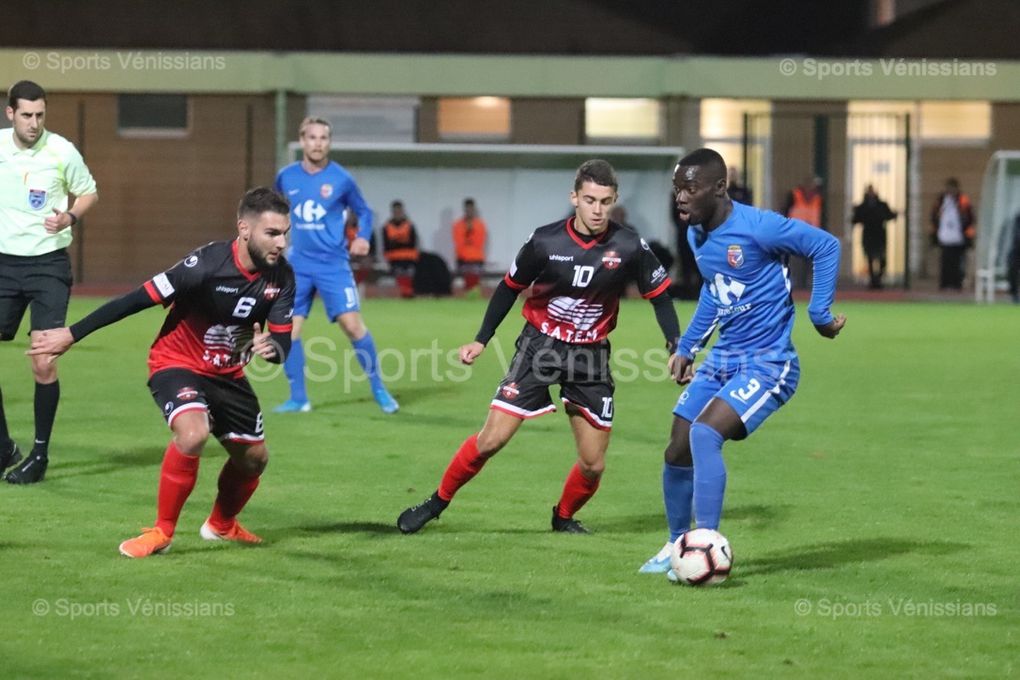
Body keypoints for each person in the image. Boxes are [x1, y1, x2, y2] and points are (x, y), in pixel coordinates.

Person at [397, 159, 679, 535]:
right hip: (539, 348)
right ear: (574, 197)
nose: (598, 210)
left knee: (593, 464)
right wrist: (481, 339)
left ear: (614, 201)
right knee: (491, 440)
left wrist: (676, 344)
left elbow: (660, 297)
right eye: (590, 200)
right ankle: (434, 504)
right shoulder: (545, 241)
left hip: (590, 356)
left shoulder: (629, 246)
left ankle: (562, 517)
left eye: (606, 202)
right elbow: (508, 288)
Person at [28, 187, 295, 557]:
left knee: (254, 459)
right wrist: (72, 334)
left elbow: (282, 346)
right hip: (176, 364)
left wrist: (273, 349)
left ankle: (221, 526)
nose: (281, 243)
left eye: (285, 233)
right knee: (193, 432)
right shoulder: (204, 265)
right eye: (272, 233)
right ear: (244, 229)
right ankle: (161, 532)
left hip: (229, 376)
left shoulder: (282, 278)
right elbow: (136, 299)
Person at [638, 149, 845, 577]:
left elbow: (826, 246)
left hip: (769, 363)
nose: (680, 197)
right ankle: (677, 545)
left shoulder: (759, 227)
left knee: (704, 434)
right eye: (677, 188)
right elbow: (716, 290)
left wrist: (820, 314)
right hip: (725, 358)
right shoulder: (697, 234)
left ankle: (704, 545)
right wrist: (688, 347)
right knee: (677, 443)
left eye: (690, 189)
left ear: (718, 188)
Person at [0, 80, 99, 484]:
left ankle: (38, 457)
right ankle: (4, 447)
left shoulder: (61, 151)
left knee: (43, 361)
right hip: (4, 265)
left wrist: (70, 217)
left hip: (47, 266)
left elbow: (89, 193)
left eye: (40, 114)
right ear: (11, 114)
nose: (34, 123)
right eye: (26, 115)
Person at [273, 117, 398, 414]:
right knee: (288, 330)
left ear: (329, 143)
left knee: (353, 326)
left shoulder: (341, 178)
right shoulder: (286, 177)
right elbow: (276, 213)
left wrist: (363, 238)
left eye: (323, 138)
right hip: (298, 265)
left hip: (333, 265)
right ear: (302, 141)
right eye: (312, 137)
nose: (317, 143)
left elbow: (364, 212)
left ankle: (380, 390)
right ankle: (299, 399)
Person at [929, 177, 975, 291]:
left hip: (958, 236)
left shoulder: (962, 200)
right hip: (944, 236)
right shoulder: (940, 201)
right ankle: (945, 283)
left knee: (957, 261)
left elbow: (969, 216)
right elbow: (934, 216)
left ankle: (956, 283)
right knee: (945, 261)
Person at [851, 184, 897, 289]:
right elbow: (855, 219)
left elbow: (889, 215)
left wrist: (894, 214)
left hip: (879, 234)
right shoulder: (863, 206)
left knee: (882, 259)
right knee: (870, 259)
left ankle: (878, 279)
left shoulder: (882, 205)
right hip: (868, 235)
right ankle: (873, 281)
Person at [381, 200, 419, 299]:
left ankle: (408, 292)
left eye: (399, 211)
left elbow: (412, 243)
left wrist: (396, 241)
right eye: (395, 211)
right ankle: (403, 292)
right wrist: (402, 241)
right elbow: (387, 246)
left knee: (409, 272)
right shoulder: (387, 226)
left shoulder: (409, 225)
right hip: (394, 258)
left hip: (409, 257)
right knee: (399, 272)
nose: (397, 213)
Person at [452, 198, 488, 293]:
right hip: (463, 258)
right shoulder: (458, 225)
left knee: (475, 284)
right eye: (467, 209)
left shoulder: (480, 225)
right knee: (465, 284)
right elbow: (458, 241)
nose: (469, 211)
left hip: (476, 257)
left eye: (471, 209)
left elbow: (479, 242)